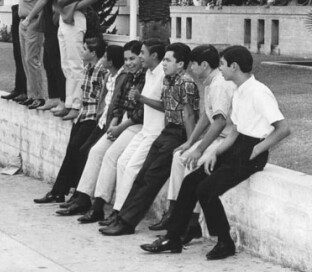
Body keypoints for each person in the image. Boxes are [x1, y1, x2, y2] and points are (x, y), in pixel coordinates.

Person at [141, 45, 290, 261]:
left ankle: (225, 242)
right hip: (237, 146)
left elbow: (283, 128)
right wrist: (214, 154)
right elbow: (235, 131)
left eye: (222, 64)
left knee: (206, 190)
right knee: (191, 182)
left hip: (252, 152)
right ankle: (173, 238)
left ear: (234, 66)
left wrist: (256, 150)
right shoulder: (239, 91)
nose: (219, 69)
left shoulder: (259, 92)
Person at [148, 44, 234, 241]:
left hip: (226, 139)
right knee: (180, 156)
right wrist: (190, 142)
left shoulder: (220, 84)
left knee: (191, 163)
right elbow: (206, 116)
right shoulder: (210, 82)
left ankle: (191, 221)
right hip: (217, 136)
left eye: (193, 64)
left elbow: (219, 122)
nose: (191, 68)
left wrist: (199, 149)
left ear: (204, 65)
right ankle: (175, 212)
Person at [73, 40, 147, 224]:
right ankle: (83, 197)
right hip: (120, 123)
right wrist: (114, 124)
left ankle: (100, 206)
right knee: (96, 151)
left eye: (133, 58)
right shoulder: (130, 76)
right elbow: (119, 103)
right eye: (126, 59)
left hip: (134, 126)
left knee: (112, 157)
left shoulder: (145, 78)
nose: (129, 62)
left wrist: (120, 127)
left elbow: (141, 114)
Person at [99, 39, 166, 227]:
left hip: (155, 132)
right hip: (145, 130)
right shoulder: (150, 74)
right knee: (121, 163)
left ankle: (122, 214)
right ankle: (118, 211)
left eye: (142, 53)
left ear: (153, 55)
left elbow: (165, 106)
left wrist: (140, 98)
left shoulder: (162, 75)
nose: (141, 57)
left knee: (130, 169)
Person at [34, 37, 108, 205]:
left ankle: (72, 192)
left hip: (92, 117)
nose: (81, 52)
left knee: (79, 149)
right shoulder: (87, 68)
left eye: (84, 49)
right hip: (82, 114)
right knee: (71, 150)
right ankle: (60, 191)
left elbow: (104, 96)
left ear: (93, 53)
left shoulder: (101, 71)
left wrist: (98, 115)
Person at [52, 0, 98, 120]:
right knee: (66, 65)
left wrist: (74, 6)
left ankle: (77, 105)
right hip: (64, 20)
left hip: (75, 20)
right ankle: (69, 102)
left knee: (76, 64)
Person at [20, 0, 66, 112]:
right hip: (49, 27)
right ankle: (53, 97)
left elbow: (43, 0)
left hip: (56, 27)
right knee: (48, 61)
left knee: (58, 64)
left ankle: (64, 99)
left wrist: (29, 18)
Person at [16, 0, 46, 108]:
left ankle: (39, 96)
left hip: (33, 23)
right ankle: (31, 94)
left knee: (32, 59)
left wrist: (36, 21)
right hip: (24, 23)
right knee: (25, 59)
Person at [1, 0, 27, 102]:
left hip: (20, 15)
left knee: (23, 55)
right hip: (15, 13)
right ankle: (18, 88)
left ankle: (25, 89)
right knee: (17, 54)